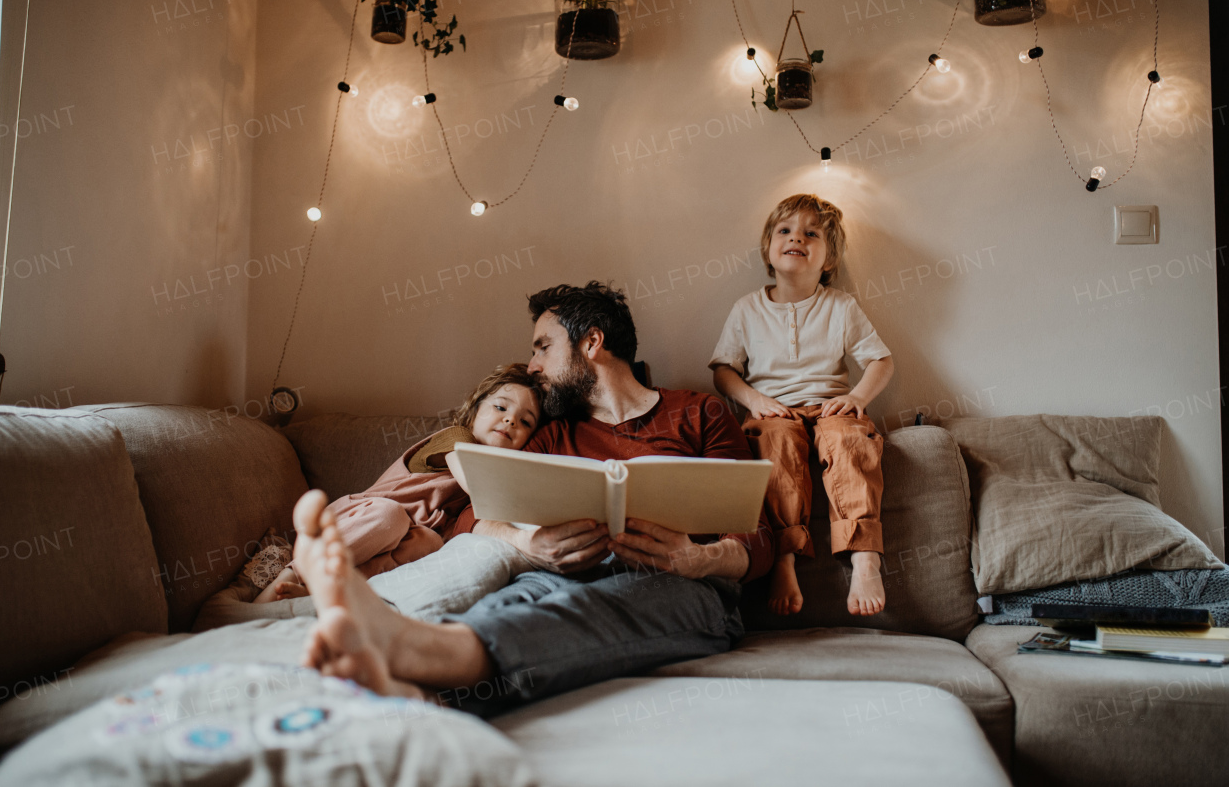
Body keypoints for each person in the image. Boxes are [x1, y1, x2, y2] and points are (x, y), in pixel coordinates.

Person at [291, 282, 774, 712]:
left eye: (544, 347)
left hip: (684, 585)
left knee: (598, 608)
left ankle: (412, 651)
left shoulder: (700, 412)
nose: (533, 365)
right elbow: (472, 518)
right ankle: (415, 690)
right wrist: (526, 545)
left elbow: (756, 533)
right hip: (566, 575)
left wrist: (698, 557)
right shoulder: (551, 434)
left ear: (591, 342)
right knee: (519, 601)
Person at [710, 194, 894, 617]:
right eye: (786, 231)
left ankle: (865, 557)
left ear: (828, 260)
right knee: (772, 447)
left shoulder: (840, 306)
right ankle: (783, 558)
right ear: (768, 249)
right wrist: (754, 400)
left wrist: (856, 398)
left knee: (851, 441)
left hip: (830, 408)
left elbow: (880, 360)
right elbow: (723, 370)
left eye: (812, 234)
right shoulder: (747, 309)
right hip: (773, 411)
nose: (798, 238)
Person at [255, 364, 543, 603]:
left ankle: (327, 591)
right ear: (474, 412)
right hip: (360, 519)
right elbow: (474, 481)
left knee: (429, 543)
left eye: (525, 421)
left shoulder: (494, 473)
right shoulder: (457, 439)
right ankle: (292, 573)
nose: (510, 420)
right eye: (500, 407)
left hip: (404, 536)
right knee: (390, 517)